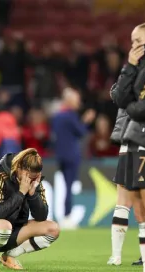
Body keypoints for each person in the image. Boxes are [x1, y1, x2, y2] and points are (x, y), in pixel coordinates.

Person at [111, 21, 145, 272]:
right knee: (141, 211)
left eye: (137, 41)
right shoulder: (139, 65)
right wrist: (130, 66)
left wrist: (130, 107)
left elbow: (144, 106)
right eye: (131, 41)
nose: (133, 46)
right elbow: (119, 96)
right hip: (135, 137)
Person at [0, 148, 60, 270]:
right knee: (4, 225)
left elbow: (41, 217)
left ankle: (9, 256)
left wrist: (32, 193)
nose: (30, 180)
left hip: (10, 231)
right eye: (28, 177)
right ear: (18, 168)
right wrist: (21, 193)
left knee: (53, 229)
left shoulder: (33, 180)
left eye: (34, 178)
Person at [50, 88, 96, 229]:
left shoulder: (57, 116)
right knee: (69, 186)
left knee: (66, 186)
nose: (79, 103)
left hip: (60, 154)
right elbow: (81, 132)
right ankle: (67, 217)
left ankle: (65, 215)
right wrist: (86, 120)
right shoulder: (70, 116)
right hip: (71, 155)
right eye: (76, 100)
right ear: (69, 101)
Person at [108, 106, 143, 266]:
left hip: (128, 139)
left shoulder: (128, 82)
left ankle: (116, 256)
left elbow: (117, 94)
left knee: (123, 201)